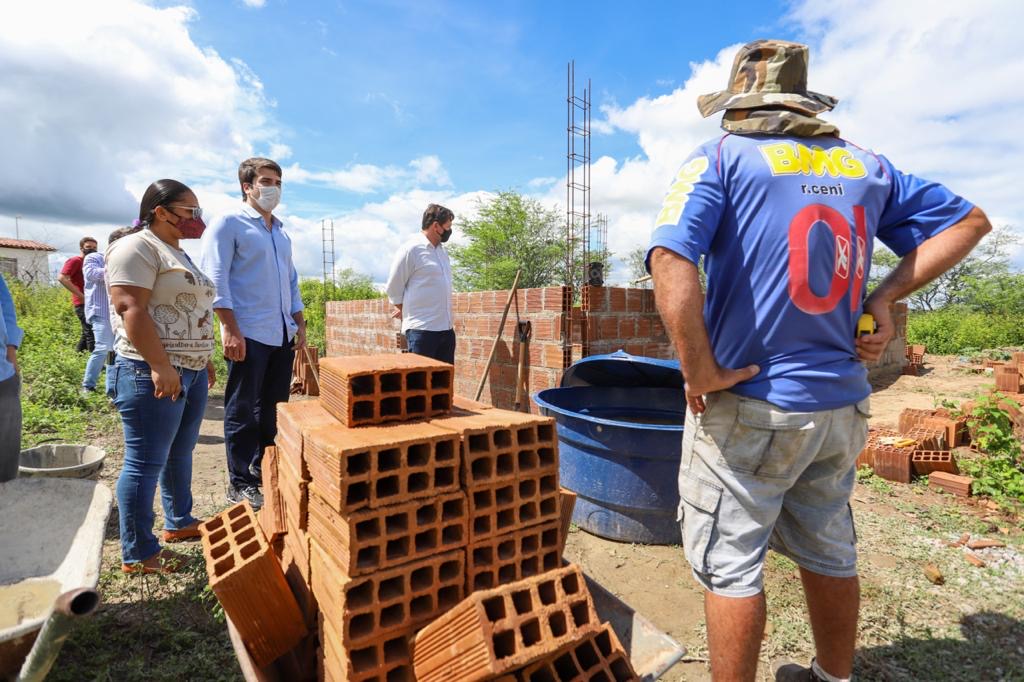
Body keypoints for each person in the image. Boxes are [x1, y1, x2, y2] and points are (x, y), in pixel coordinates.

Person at [646, 40, 990, 682]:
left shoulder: (723, 158)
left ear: (740, 103)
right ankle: (833, 677)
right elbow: (970, 222)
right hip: (841, 407)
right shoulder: (867, 165)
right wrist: (884, 296)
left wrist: (700, 370)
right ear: (805, 104)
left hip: (752, 405)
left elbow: (670, 258)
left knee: (732, 567)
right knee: (829, 549)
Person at [107, 179, 217, 574]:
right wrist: (159, 365)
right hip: (148, 370)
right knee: (144, 462)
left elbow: (193, 310)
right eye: (189, 210)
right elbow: (129, 307)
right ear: (160, 211)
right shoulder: (136, 247)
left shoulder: (177, 252)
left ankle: (179, 521)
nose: (196, 218)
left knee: (179, 452)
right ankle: (139, 553)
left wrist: (202, 357)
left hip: (189, 370)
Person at [200, 157, 305, 510]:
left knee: (273, 407)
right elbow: (215, 279)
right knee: (242, 408)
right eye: (266, 181)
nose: (273, 188)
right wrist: (230, 329)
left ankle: (266, 468)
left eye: (278, 182)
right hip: (248, 333)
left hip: (280, 332)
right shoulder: (229, 223)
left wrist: (299, 323)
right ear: (247, 186)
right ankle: (241, 481)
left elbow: (291, 280)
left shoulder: (281, 231)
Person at [385, 203, 456, 364]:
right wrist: (404, 308)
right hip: (422, 332)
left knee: (444, 379)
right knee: (420, 379)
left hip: (446, 331)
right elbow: (393, 287)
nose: (449, 231)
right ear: (436, 226)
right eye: (448, 227)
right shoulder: (411, 249)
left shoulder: (442, 252)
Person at [82, 224, 142, 394]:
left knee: (114, 350)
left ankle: (111, 388)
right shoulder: (94, 257)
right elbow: (91, 274)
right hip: (100, 311)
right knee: (104, 347)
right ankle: (88, 385)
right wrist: (118, 265)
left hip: (118, 313)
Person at [0, 273, 23, 483]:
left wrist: (11, 348)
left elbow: (6, 308)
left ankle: (7, 492)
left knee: (6, 456)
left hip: (3, 373)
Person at [59, 236, 98, 353]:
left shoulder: (93, 263)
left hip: (92, 302)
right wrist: (81, 295)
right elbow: (62, 278)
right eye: (88, 247)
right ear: (81, 248)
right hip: (82, 303)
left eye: (94, 248)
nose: (92, 249)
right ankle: (95, 360)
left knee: (86, 332)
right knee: (91, 332)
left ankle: (78, 355)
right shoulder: (76, 261)